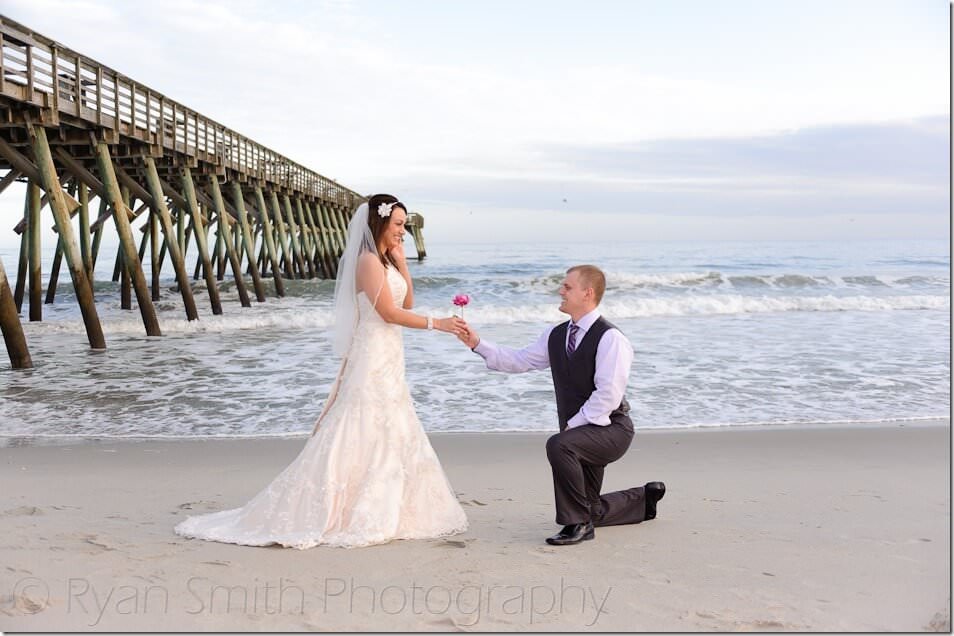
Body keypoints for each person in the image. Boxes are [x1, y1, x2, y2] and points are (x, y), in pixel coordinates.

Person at [174, 194, 469, 549]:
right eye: (398, 225)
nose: (403, 232)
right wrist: (439, 324)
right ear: (379, 223)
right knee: (361, 421)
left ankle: (394, 503)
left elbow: (407, 304)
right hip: (373, 354)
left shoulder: (387, 262)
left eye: (404, 226)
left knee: (392, 420)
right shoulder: (367, 262)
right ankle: (346, 504)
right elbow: (389, 314)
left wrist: (403, 263)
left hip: (391, 354)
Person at [457, 265, 665, 546]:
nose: (560, 291)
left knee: (559, 444)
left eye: (567, 287)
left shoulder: (611, 339)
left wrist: (571, 427)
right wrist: (477, 343)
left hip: (611, 429)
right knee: (589, 506)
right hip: (581, 433)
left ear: (587, 293)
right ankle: (643, 500)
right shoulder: (556, 335)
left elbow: (609, 395)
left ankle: (576, 525)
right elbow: (520, 360)